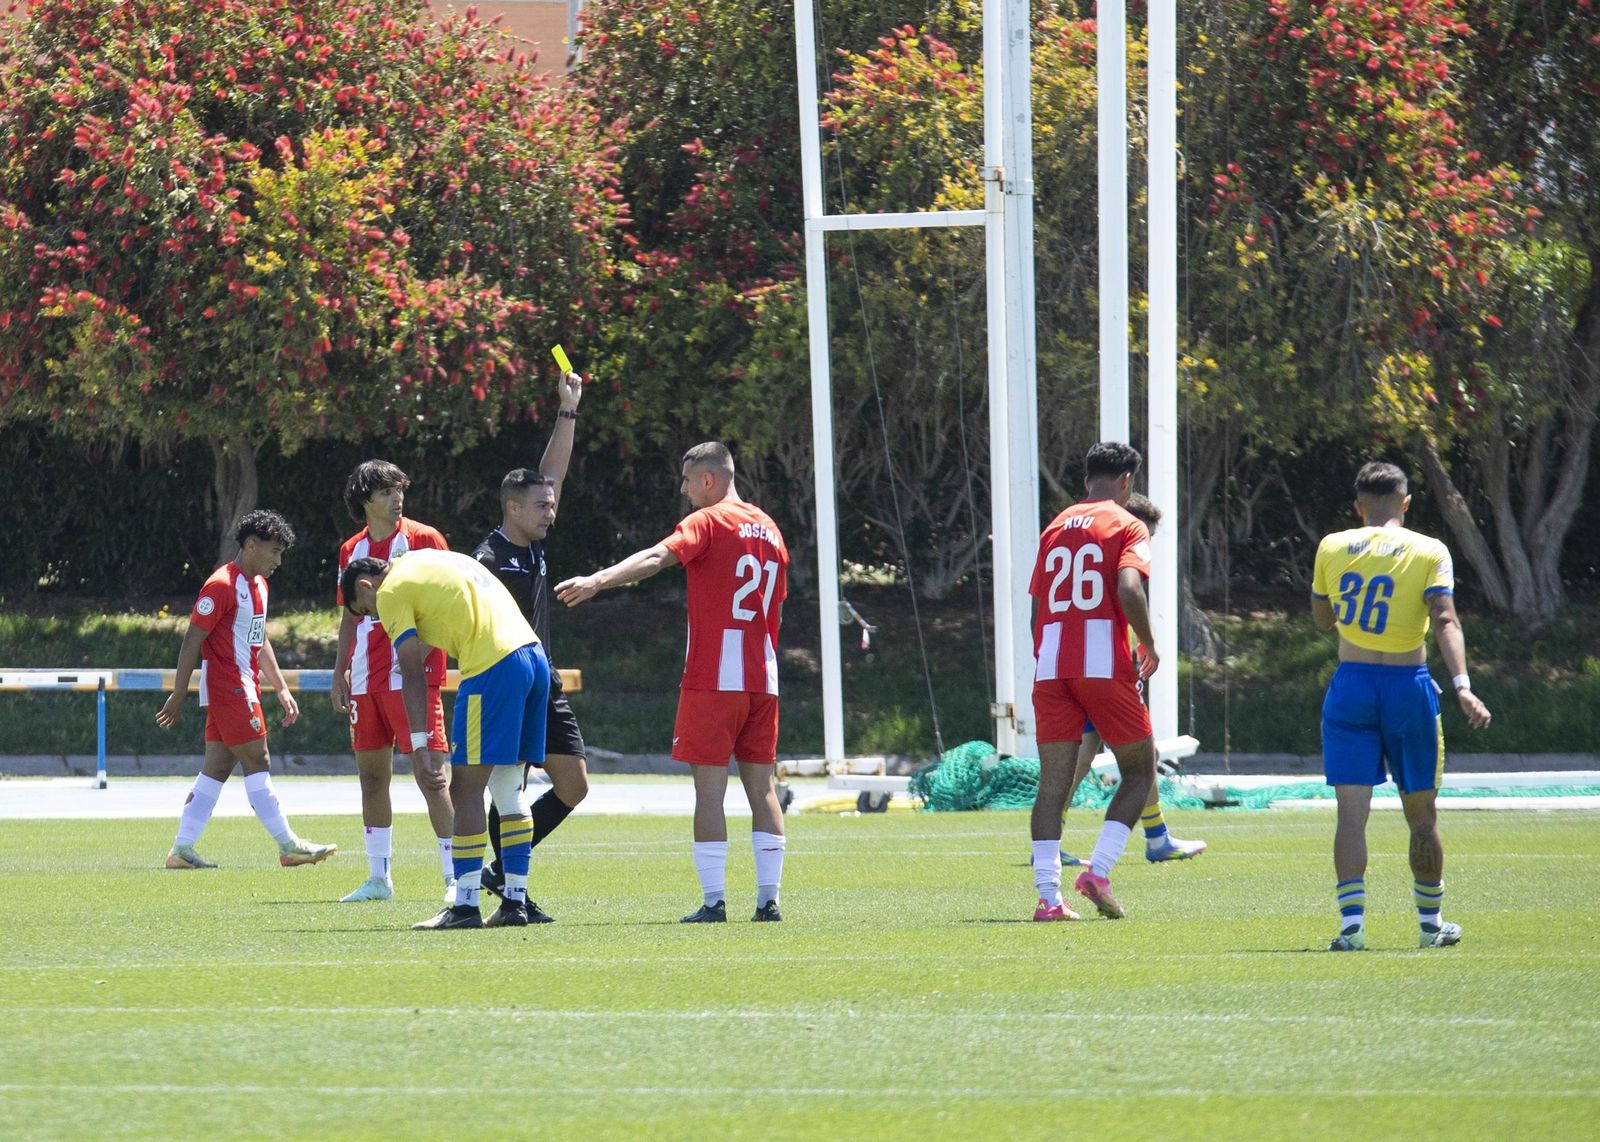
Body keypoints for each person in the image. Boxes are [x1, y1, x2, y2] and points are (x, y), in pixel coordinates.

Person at [555, 442, 790, 923]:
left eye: (686, 481)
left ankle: (713, 902)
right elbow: (777, 607)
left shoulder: (709, 520)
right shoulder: (770, 528)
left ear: (708, 480)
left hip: (714, 678)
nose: (682, 490)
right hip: (762, 677)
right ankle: (769, 901)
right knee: (762, 789)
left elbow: (656, 558)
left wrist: (598, 580)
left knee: (709, 790)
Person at [1312, 461, 1491, 951]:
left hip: (1351, 685)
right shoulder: (1430, 550)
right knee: (1422, 814)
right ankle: (1430, 925)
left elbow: (1323, 618)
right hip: (1406, 687)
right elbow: (1446, 617)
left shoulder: (1331, 545)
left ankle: (1351, 930)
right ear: (1405, 502)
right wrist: (1461, 684)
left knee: (1350, 815)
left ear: (1358, 506)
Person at [342, 548, 550, 929]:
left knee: (465, 791)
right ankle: (515, 902)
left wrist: (419, 743)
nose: (376, 619)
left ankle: (466, 905)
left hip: (491, 666)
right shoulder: (429, 561)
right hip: (534, 657)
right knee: (508, 788)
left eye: (366, 612)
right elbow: (439, 628)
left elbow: (409, 669)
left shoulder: (389, 592)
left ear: (365, 586)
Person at [157, 510, 337, 870]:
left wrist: (281, 687)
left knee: (217, 768)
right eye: (273, 551)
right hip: (230, 688)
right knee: (259, 760)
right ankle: (288, 845)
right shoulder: (221, 584)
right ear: (251, 546)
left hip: (243, 686)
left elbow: (259, 638)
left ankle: (181, 849)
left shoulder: (259, 586)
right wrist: (179, 692)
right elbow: (193, 637)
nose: (278, 560)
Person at [474, 369, 588, 923]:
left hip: (543, 680)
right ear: (512, 508)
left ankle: (501, 872)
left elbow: (553, 475)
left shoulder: (535, 537)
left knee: (574, 784)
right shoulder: (488, 559)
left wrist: (568, 410)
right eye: (541, 506)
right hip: (509, 682)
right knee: (508, 789)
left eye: (551, 504)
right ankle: (507, 888)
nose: (552, 511)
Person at [1027, 442, 1159, 922]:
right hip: (1102, 661)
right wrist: (1149, 643)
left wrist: (1045, 656)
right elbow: (1128, 587)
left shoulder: (1055, 525)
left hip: (1052, 664)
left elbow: (1037, 608)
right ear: (1126, 481)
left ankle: (1048, 898)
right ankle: (1098, 872)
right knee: (1141, 770)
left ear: (1087, 479)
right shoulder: (1127, 523)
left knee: (1052, 787)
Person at [332, 460, 458, 904]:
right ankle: (378, 878)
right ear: (366, 500)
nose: (397, 498)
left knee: (431, 775)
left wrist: (417, 656)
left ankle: (455, 878)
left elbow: (447, 602)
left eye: (399, 489)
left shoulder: (425, 540)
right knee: (371, 778)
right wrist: (339, 669)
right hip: (366, 680)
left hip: (414, 677)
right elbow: (349, 613)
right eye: (386, 491)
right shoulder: (352, 549)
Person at [1058, 493, 1205, 867]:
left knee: (1094, 754)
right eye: (1146, 535)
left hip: (1075, 662)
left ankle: (1155, 836)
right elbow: (1125, 595)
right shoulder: (1122, 552)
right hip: (1106, 666)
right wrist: (1148, 645)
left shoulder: (1083, 542)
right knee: (1132, 755)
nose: (1146, 544)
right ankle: (1153, 840)